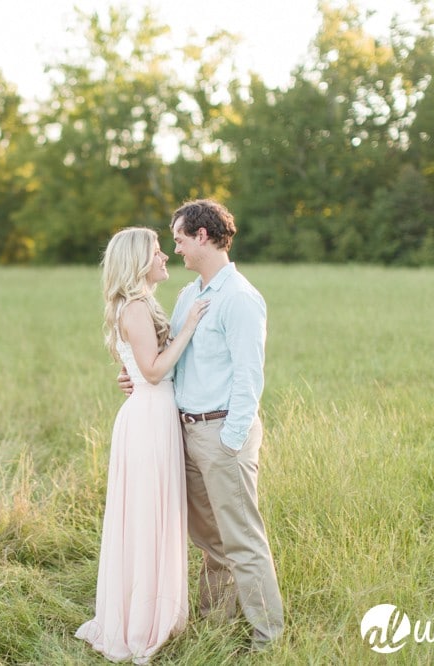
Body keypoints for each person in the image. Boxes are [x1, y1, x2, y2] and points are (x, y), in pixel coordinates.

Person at [119, 199, 285, 652]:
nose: (175, 250)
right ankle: (214, 623)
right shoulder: (190, 296)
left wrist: (230, 442)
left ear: (203, 237)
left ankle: (268, 637)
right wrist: (135, 373)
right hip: (185, 431)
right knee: (211, 541)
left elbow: (250, 378)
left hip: (222, 434)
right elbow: (171, 359)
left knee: (242, 539)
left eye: (179, 239)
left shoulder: (240, 299)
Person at [76, 227, 208, 664]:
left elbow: (142, 366)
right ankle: (142, 622)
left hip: (153, 415)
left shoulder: (139, 304)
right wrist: (189, 326)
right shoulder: (134, 307)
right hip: (149, 419)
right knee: (148, 516)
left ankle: (155, 611)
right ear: (138, 262)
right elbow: (151, 372)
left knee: (154, 514)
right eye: (157, 252)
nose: (166, 256)